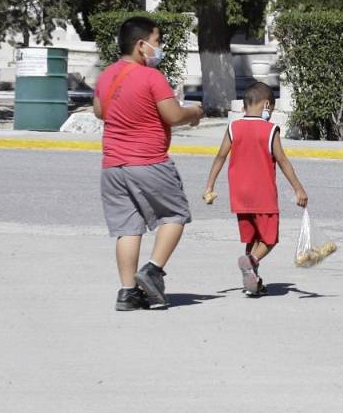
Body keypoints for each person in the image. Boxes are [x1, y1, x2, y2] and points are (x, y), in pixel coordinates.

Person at [93, 16, 203, 311]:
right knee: (175, 215)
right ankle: (153, 270)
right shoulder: (151, 77)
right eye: (157, 41)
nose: (160, 47)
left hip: (112, 166)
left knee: (127, 228)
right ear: (142, 46)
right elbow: (173, 116)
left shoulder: (106, 76)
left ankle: (128, 293)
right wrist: (193, 112)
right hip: (149, 161)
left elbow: (100, 111)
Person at [201, 82, 309, 296]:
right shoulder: (270, 130)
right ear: (267, 105)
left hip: (240, 196)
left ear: (243, 106)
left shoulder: (233, 127)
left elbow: (220, 156)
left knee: (253, 239)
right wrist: (299, 189)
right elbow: (283, 161)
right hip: (263, 196)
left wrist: (210, 185)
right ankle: (251, 262)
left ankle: (252, 281)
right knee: (269, 239)